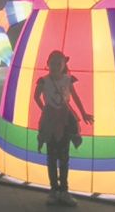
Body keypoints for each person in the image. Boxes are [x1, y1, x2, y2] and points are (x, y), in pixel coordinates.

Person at [34, 51, 93, 206]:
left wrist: (83, 113)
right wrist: (45, 110)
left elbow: (75, 97)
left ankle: (64, 191)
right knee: (52, 157)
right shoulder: (43, 81)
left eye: (59, 63)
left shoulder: (68, 80)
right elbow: (36, 96)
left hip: (65, 121)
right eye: (52, 63)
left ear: (64, 65)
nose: (55, 66)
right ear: (48, 63)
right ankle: (54, 190)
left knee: (64, 157)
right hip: (50, 123)